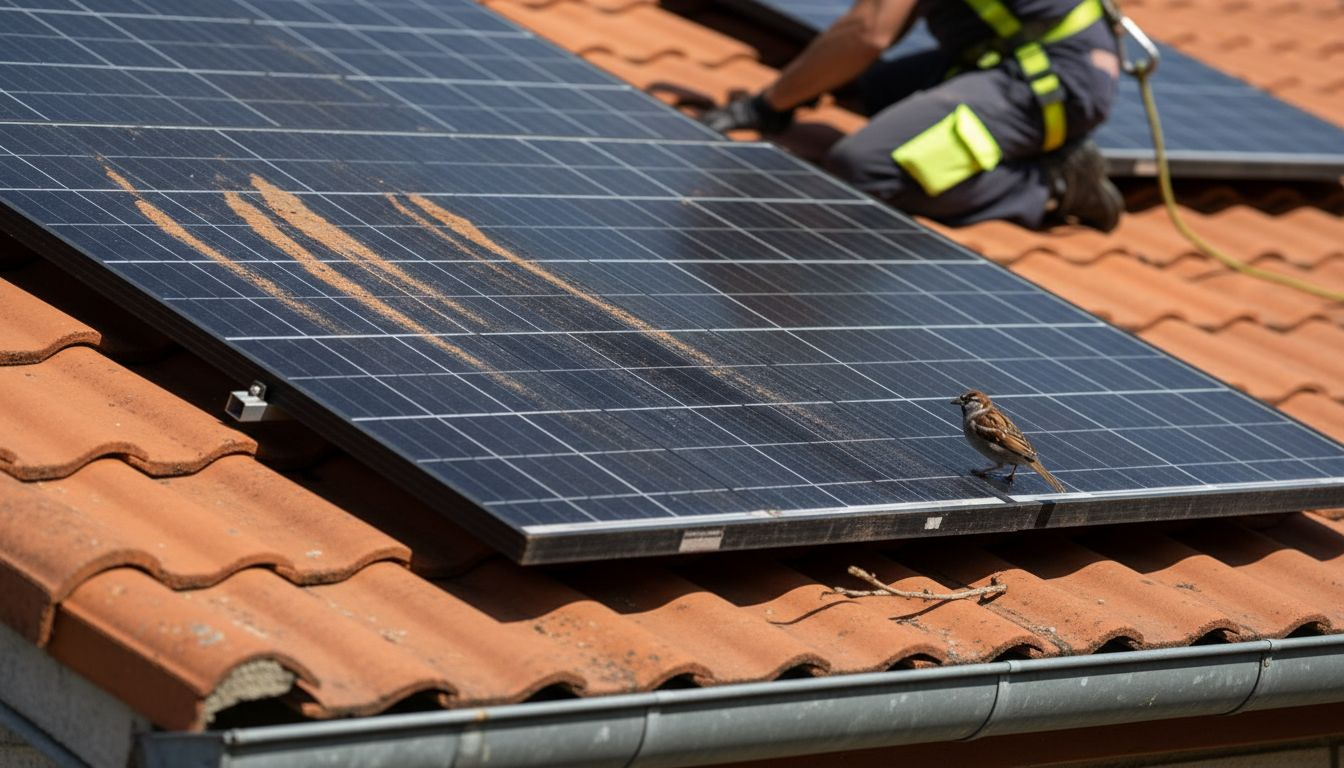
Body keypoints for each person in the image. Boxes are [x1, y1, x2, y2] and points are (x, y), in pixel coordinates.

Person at [700, 0, 1125, 232]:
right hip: (1010, 57)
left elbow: (868, 32)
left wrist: (766, 105)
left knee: (866, 166)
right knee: (875, 89)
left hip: (1052, 82)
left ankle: (1048, 182)